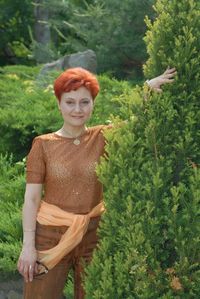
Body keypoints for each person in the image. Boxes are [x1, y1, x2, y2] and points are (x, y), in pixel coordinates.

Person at [17, 66, 176, 299]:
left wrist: (147, 90)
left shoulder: (102, 137)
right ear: (59, 104)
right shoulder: (43, 145)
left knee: (95, 294)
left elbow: (134, 123)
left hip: (94, 233)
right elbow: (31, 199)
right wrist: (28, 247)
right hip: (49, 236)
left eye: (84, 102)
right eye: (70, 102)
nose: (77, 109)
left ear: (93, 104)